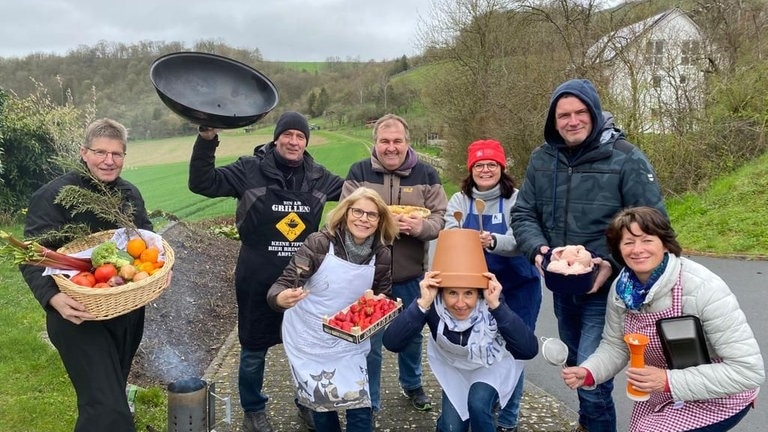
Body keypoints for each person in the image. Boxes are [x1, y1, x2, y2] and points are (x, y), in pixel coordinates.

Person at [510, 78, 667, 432]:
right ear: (553, 120)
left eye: (581, 112)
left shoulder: (627, 158)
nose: (572, 120)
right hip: (563, 288)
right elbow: (523, 214)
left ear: (595, 114)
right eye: (563, 114)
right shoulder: (541, 159)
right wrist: (538, 250)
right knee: (573, 366)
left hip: (608, 291)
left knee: (590, 376)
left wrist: (610, 262)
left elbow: (653, 226)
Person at [190, 111, 344, 432]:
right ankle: (253, 410)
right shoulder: (249, 170)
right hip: (256, 278)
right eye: (287, 134)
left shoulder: (318, 176)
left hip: (303, 280)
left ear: (306, 142)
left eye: (300, 136)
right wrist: (207, 140)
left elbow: (360, 195)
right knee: (253, 349)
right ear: (276, 139)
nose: (293, 141)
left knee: (306, 347)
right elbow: (202, 183)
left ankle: (307, 402)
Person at [561, 206, 764, 431]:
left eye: (647, 240)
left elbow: (748, 371)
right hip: (663, 391)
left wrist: (667, 381)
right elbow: (616, 345)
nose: (637, 250)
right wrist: (589, 371)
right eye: (628, 242)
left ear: (665, 243)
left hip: (721, 396)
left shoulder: (703, 288)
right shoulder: (621, 290)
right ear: (618, 249)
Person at [19, 118, 155, 432]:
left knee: (105, 400)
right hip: (77, 315)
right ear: (84, 152)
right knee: (108, 409)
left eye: (117, 154)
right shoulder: (54, 195)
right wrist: (51, 297)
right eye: (100, 152)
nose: (109, 160)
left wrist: (160, 267)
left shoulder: (129, 194)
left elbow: (147, 240)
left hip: (125, 314)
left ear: (124, 156)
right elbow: (32, 255)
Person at [266, 187, 397, 432]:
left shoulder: (381, 254)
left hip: (350, 336)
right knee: (323, 405)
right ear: (345, 213)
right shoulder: (320, 243)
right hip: (310, 336)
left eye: (372, 214)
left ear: (380, 221)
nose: (363, 219)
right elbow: (284, 283)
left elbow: (384, 296)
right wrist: (280, 298)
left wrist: (377, 303)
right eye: (357, 211)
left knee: (360, 404)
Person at [342, 114, 447, 415]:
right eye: (384, 141)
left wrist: (418, 228)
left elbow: (441, 218)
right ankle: (370, 400)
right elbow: (346, 217)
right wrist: (382, 224)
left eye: (397, 141)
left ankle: (412, 383)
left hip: (410, 273)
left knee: (411, 337)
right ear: (375, 143)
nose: (391, 147)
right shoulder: (358, 172)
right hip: (368, 277)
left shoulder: (427, 174)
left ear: (407, 142)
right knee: (370, 344)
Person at [444, 139, 541, 432]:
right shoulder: (459, 201)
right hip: (478, 290)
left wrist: (493, 241)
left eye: (491, 164)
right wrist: (465, 239)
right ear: (471, 169)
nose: (485, 170)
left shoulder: (517, 199)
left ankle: (508, 418)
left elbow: (523, 239)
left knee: (515, 351)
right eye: (479, 165)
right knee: (485, 349)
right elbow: (450, 234)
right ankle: (483, 399)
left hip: (519, 285)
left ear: (501, 167)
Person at [382, 270, 538, 432]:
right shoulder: (434, 305)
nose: (460, 303)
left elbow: (529, 350)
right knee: (451, 427)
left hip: (490, 363)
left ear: (479, 293)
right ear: (441, 293)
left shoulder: (489, 303)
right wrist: (421, 305)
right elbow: (392, 343)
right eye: (452, 293)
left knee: (478, 404)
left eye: (469, 293)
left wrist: (498, 307)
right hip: (454, 368)